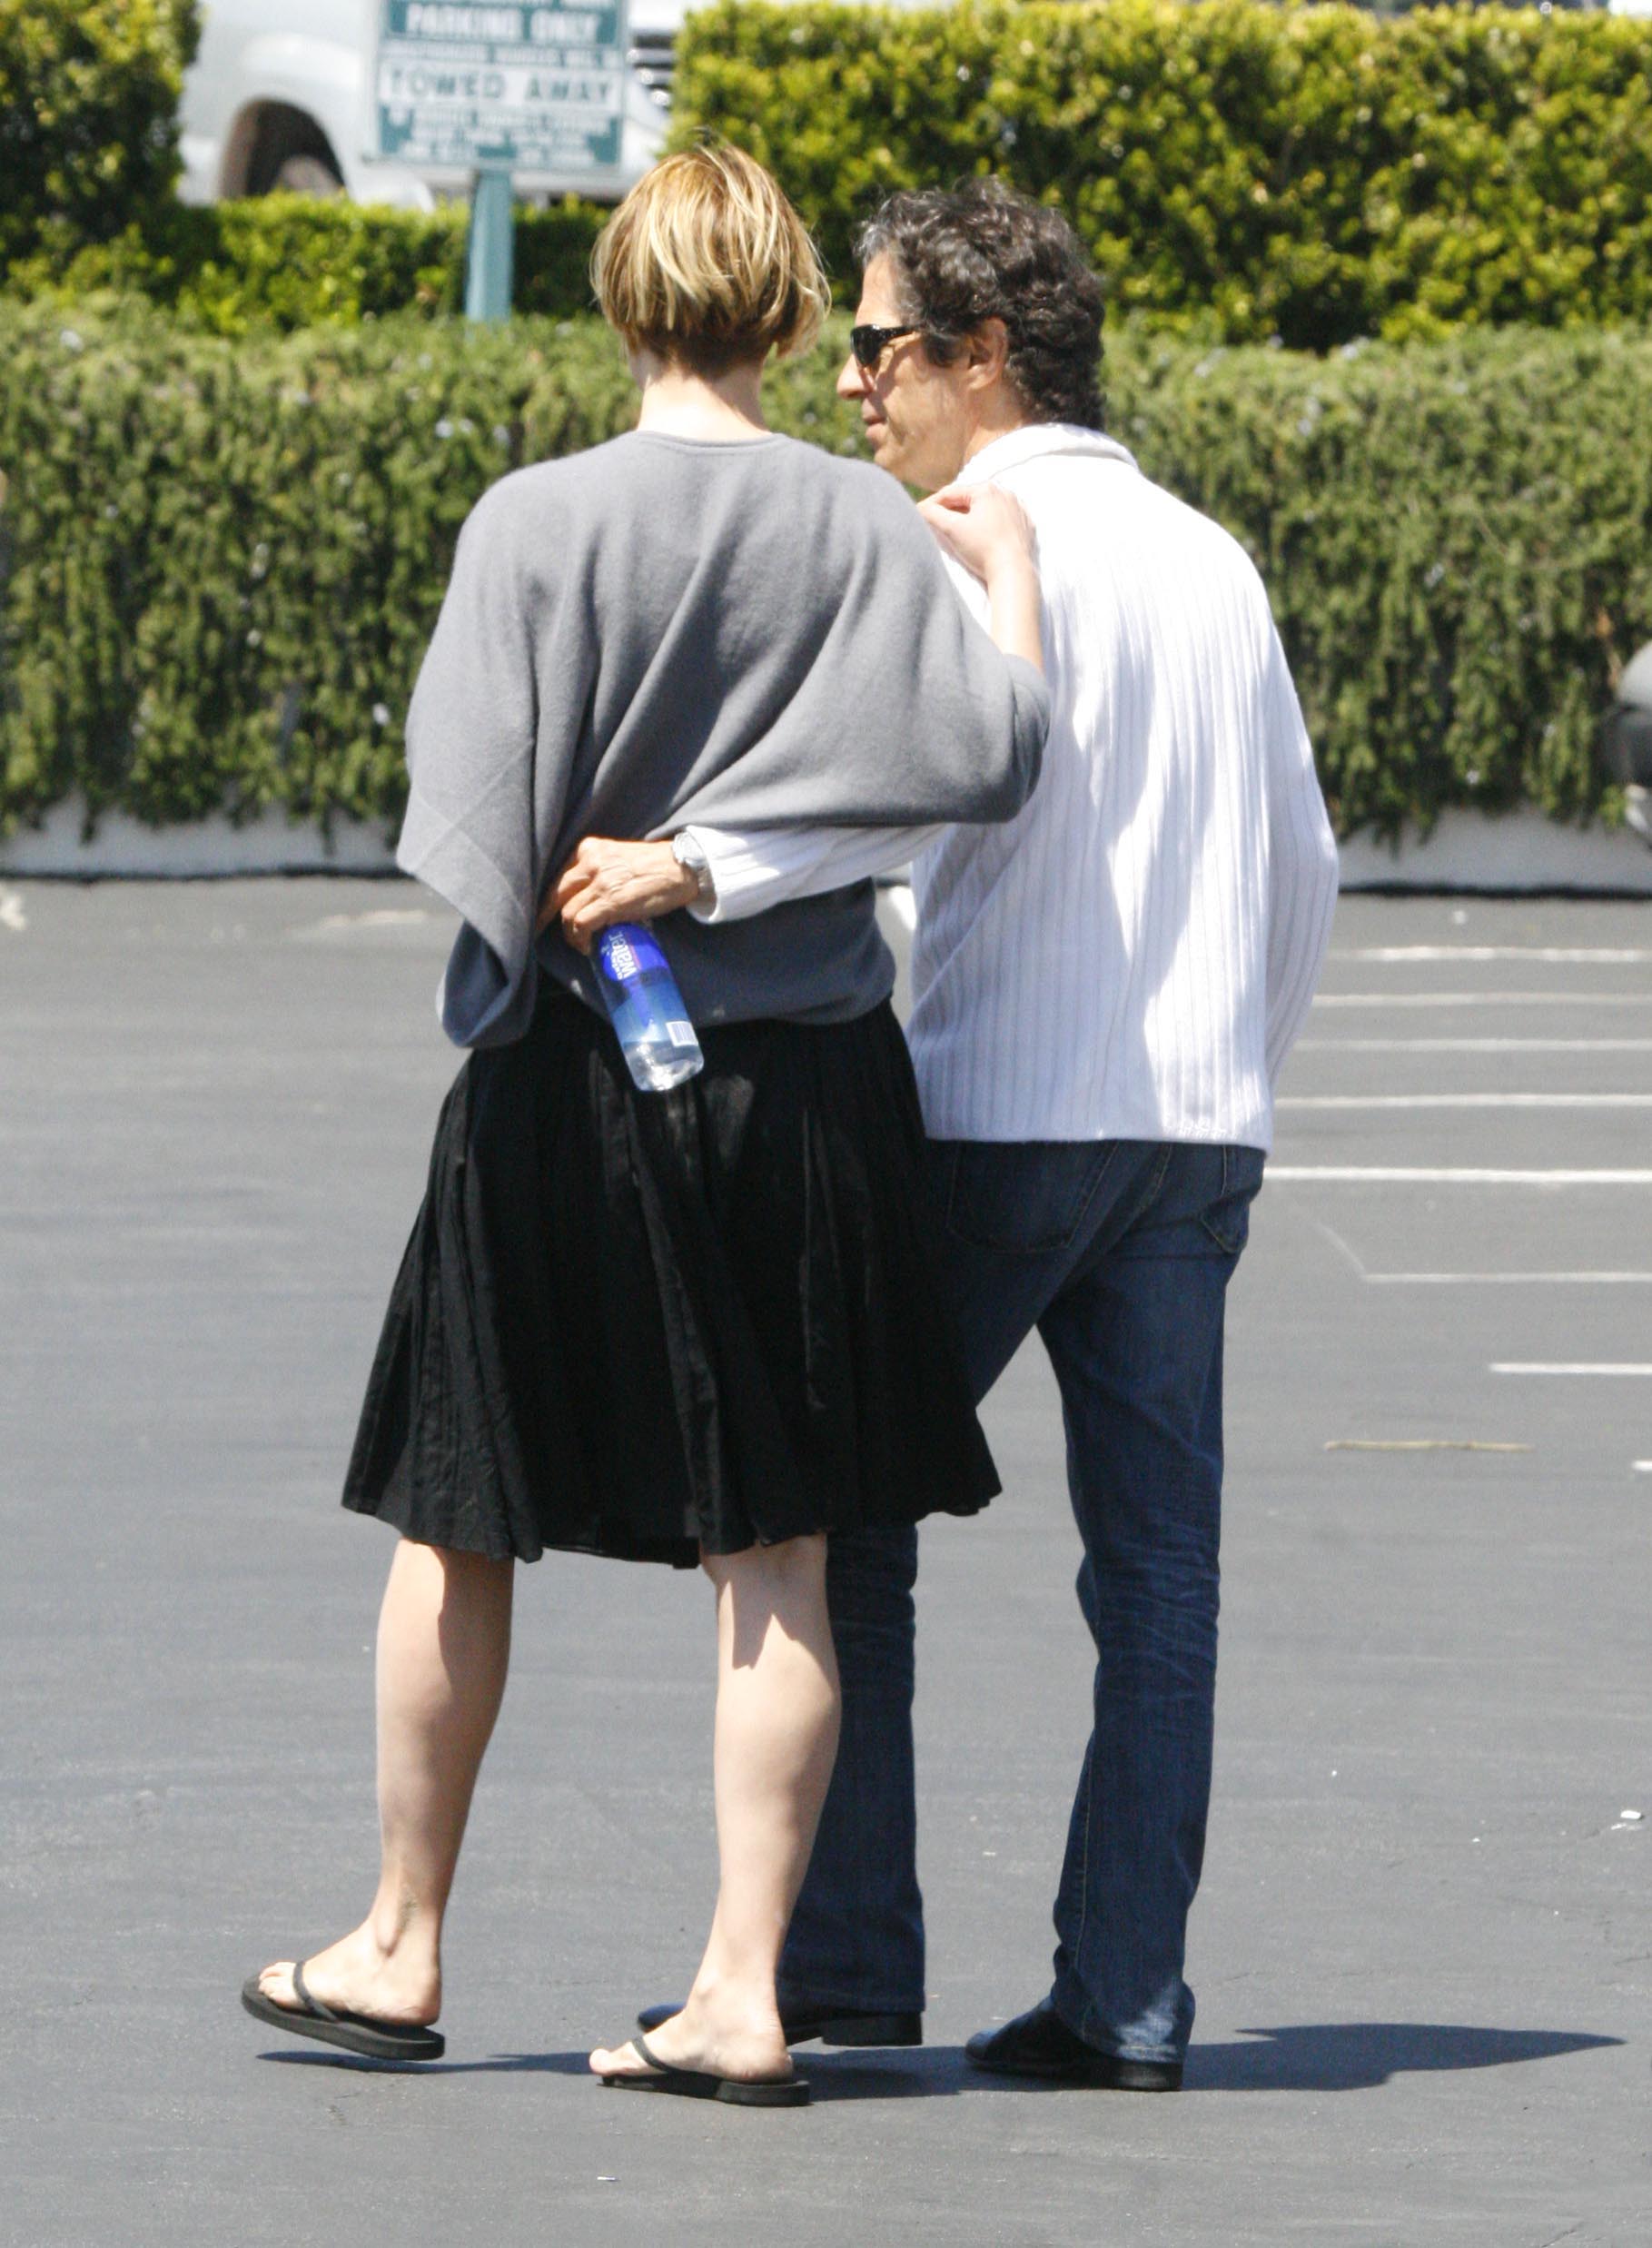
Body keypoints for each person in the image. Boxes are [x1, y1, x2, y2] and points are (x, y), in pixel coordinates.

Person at [240, 146, 1050, 2105]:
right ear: (786, 309)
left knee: (457, 1517)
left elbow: (469, 826)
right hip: (801, 1096)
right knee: (777, 1554)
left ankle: (398, 1944)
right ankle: (744, 1992)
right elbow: (990, 751)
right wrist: (1013, 585)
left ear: (621, 298)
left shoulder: (530, 521)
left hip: (563, 1078)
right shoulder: (859, 523)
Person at [555, 180, 1340, 2090]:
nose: (852, 379)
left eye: (880, 343)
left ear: (983, 357)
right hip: (1191, 1134)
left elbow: (889, 795)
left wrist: (691, 864)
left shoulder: (961, 539)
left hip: (996, 1115)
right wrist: (1232, 1073)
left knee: (839, 1518)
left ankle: (835, 1958)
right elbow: (1302, 862)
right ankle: (1124, 1996)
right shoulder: (1214, 562)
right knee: (1158, 1583)